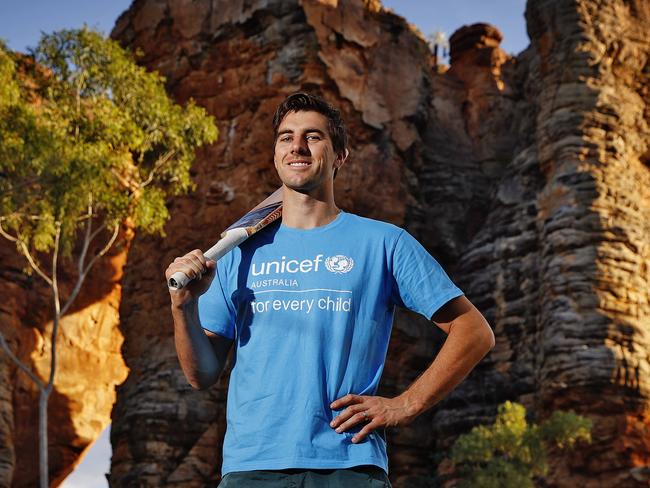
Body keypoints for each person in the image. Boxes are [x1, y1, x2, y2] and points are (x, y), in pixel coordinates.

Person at [165, 92, 495, 487]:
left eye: (313, 136)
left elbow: (474, 331)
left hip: (349, 465)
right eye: (286, 137)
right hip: (253, 467)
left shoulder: (383, 243)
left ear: (340, 155)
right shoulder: (237, 254)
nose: (297, 146)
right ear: (275, 154)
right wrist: (183, 306)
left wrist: (406, 404)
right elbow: (202, 374)